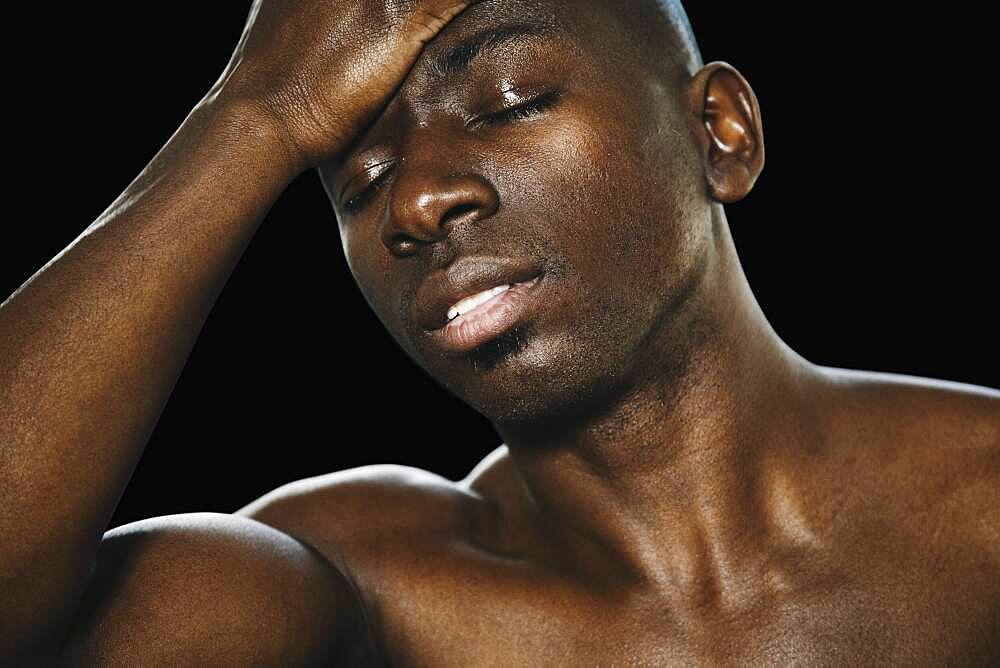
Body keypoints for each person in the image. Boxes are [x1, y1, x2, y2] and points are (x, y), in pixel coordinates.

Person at [2, 0, 997, 664]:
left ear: (719, 134)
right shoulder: (367, 593)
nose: (419, 201)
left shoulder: (980, 507)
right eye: (362, 179)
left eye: (510, 100)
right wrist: (257, 113)